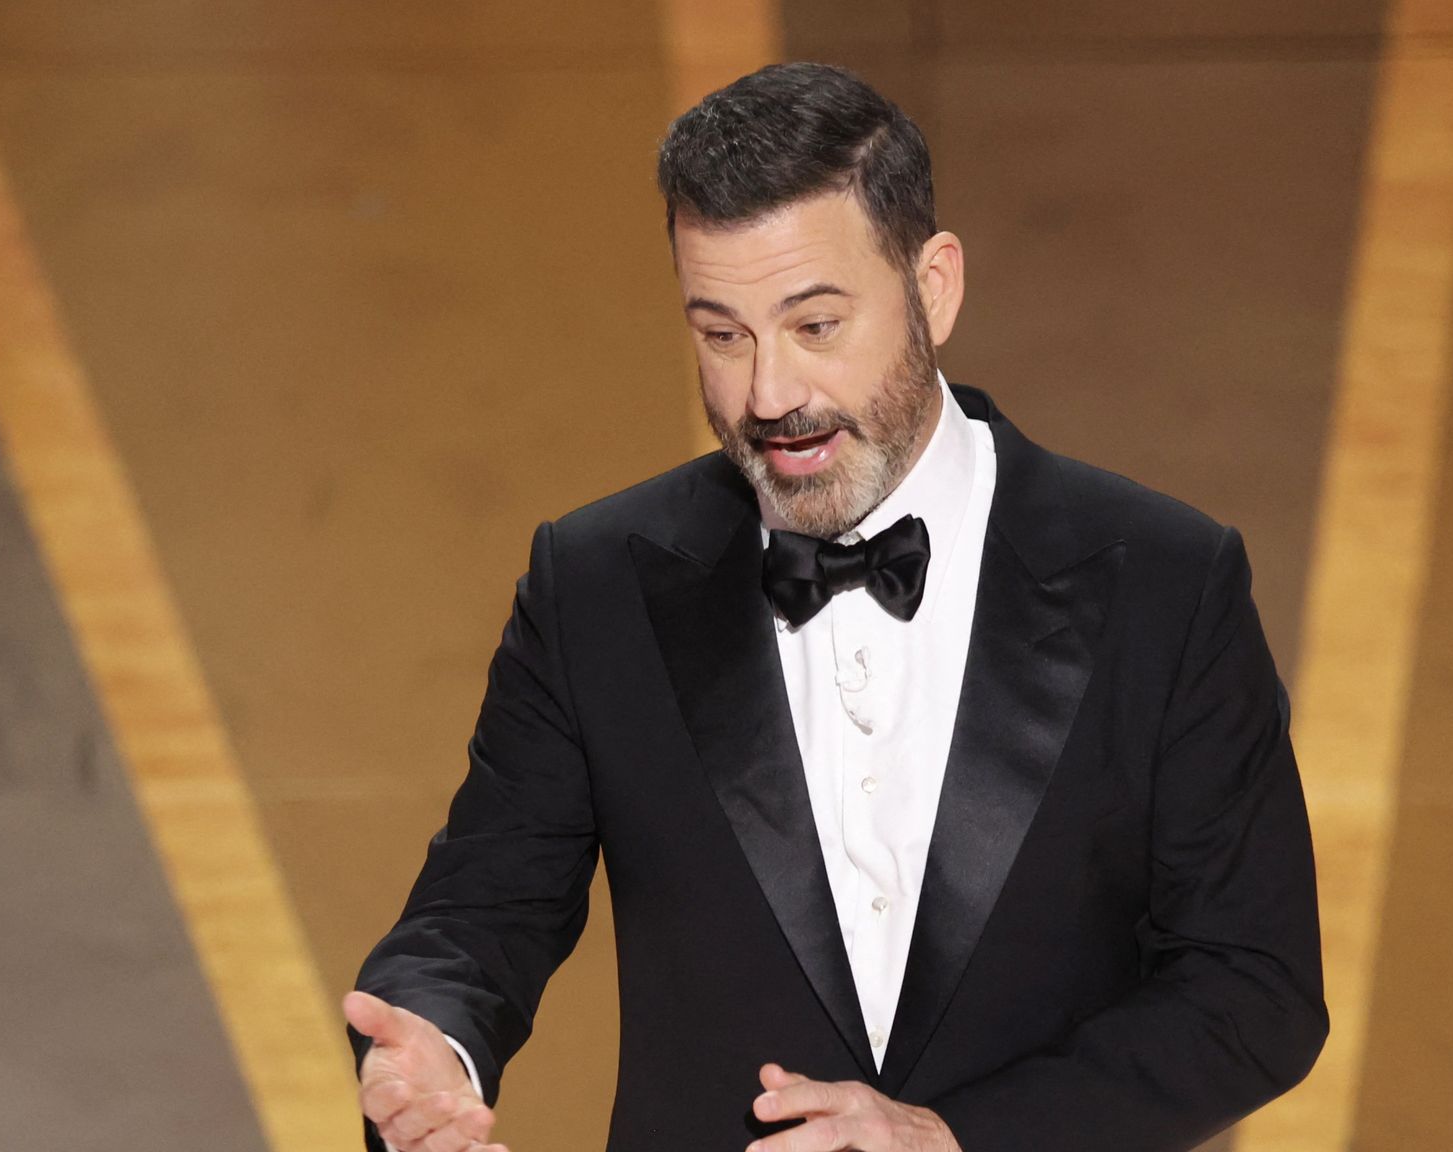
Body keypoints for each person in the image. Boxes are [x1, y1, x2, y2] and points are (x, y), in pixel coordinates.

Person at [344, 61, 1326, 1152]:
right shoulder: (596, 584)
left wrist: (950, 1138)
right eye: (722, 335)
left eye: (814, 325)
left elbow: (1254, 991)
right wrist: (435, 1042)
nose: (768, 395)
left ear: (934, 287)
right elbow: (478, 911)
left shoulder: (1163, 580)